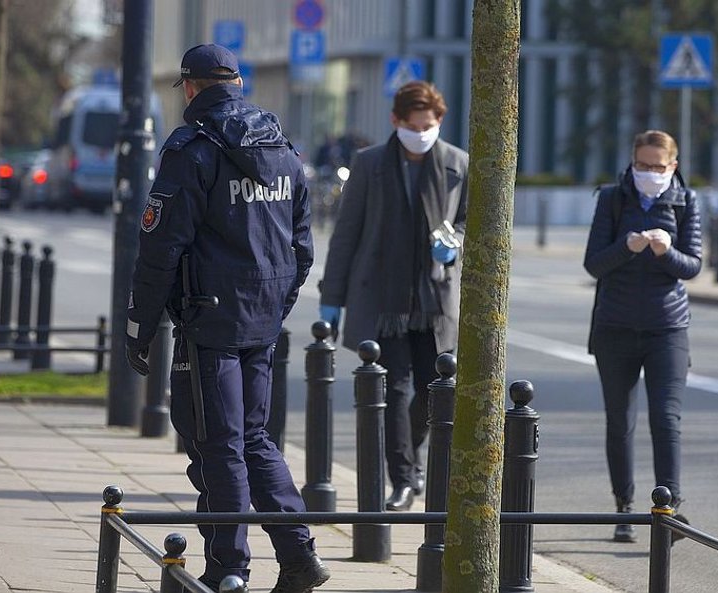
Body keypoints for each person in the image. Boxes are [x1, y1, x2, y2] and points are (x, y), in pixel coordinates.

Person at [124, 44, 328, 593]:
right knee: (254, 439)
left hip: (208, 322)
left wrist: (140, 327)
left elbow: (159, 248)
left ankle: (228, 568)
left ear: (190, 88)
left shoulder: (192, 147)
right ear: (236, 83)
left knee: (221, 445)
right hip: (260, 320)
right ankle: (299, 556)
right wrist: (271, 304)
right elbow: (301, 247)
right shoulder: (282, 146)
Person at [319, 81, 468, 512]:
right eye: (413, 125)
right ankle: (402, 478)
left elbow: (470, 222)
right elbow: (347, 234)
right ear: (396, 122)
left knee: (431, 389)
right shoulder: (369, 164)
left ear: (440, 122)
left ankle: (412, 458)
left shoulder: (458, 163)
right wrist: (333, 298)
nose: (422, 132)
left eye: (430, 124)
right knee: (396, 389)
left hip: (436, 297)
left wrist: (455, 242)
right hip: (382, 297)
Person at [583, 130, 701, 543]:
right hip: (614, 327)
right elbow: (593, 264)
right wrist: (627, 246)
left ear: (673, 166)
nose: (648, 173)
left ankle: (669, 510)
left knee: (666, 418)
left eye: (657, 166)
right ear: (631, 163)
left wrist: (665, 252)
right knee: (620, 421)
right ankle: (623, 507)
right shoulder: (613, 198)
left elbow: (692, 266)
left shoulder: (686, 201)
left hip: (667, 327)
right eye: (641, 166)